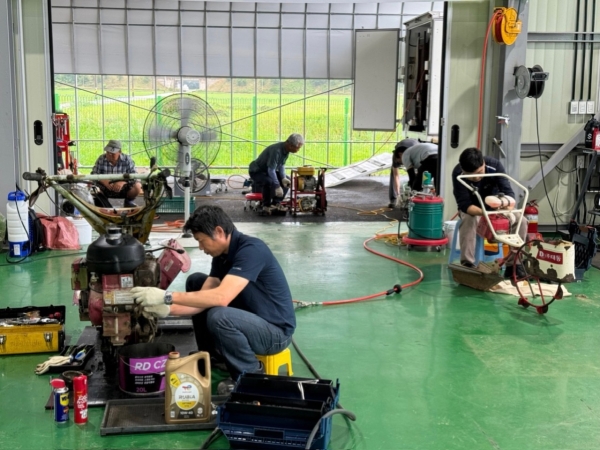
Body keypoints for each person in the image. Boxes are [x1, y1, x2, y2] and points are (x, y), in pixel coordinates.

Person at [130, 205, 296, 393]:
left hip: (275, 333)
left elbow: (221, 297)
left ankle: (250, 380)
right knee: (196, 282)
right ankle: (215, 359)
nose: (201, 248)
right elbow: (203, 299)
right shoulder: (222, 255)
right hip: (251, 319)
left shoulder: (252, 250)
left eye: (201, 241)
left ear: (219, 232)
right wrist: (168, 309)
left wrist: (167, 296)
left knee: (220, 316)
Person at [451, 147, 528, 278]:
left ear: (483, 163)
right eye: (472, 175)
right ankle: (468, 265)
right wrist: (485, 214)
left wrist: (503, 206)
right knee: (469, 219)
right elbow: (464, 205)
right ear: (463, 170)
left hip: (497, 207)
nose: (477, 178)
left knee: (522, 221)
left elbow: (509, 193)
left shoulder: (494, 166)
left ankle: (514, 265)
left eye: (480, 172)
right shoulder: (458, 173)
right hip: (473, 209)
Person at [248, 133, 304, 214]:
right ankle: (266, 205)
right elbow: (271, 170)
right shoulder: (276, 151)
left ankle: (276, 203)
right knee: (269, 181)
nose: (298, 150)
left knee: (287, 181)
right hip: (256, 171)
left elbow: (281, 165)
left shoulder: (286, 150)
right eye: (298, 148)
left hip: (266, 170)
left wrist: (283, 178)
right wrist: (277, 186)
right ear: (290, 145)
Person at [91, 140, 142, 208]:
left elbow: (135, 176)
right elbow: (93, 174)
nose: (109, 155)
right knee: (94, 188)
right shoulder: (101, 159)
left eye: (112, 153)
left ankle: (128, 202)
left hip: (123, 188)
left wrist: (123, 182)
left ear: (120, 152)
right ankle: (103, 203)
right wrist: (103, 180)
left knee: (137, 186)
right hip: (105, 188)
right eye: (108, 152)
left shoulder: (127, 159)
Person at [389, 138, 417, 208]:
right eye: (399, 162)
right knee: (393, 173)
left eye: (400, 162)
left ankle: (417, 197)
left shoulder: (412, 155)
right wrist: (398, 194)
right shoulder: (396, 157)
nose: (401, 163)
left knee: (417, 175)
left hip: (416, 149)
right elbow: (396, 176)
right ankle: (394, 199)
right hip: (402, 148)